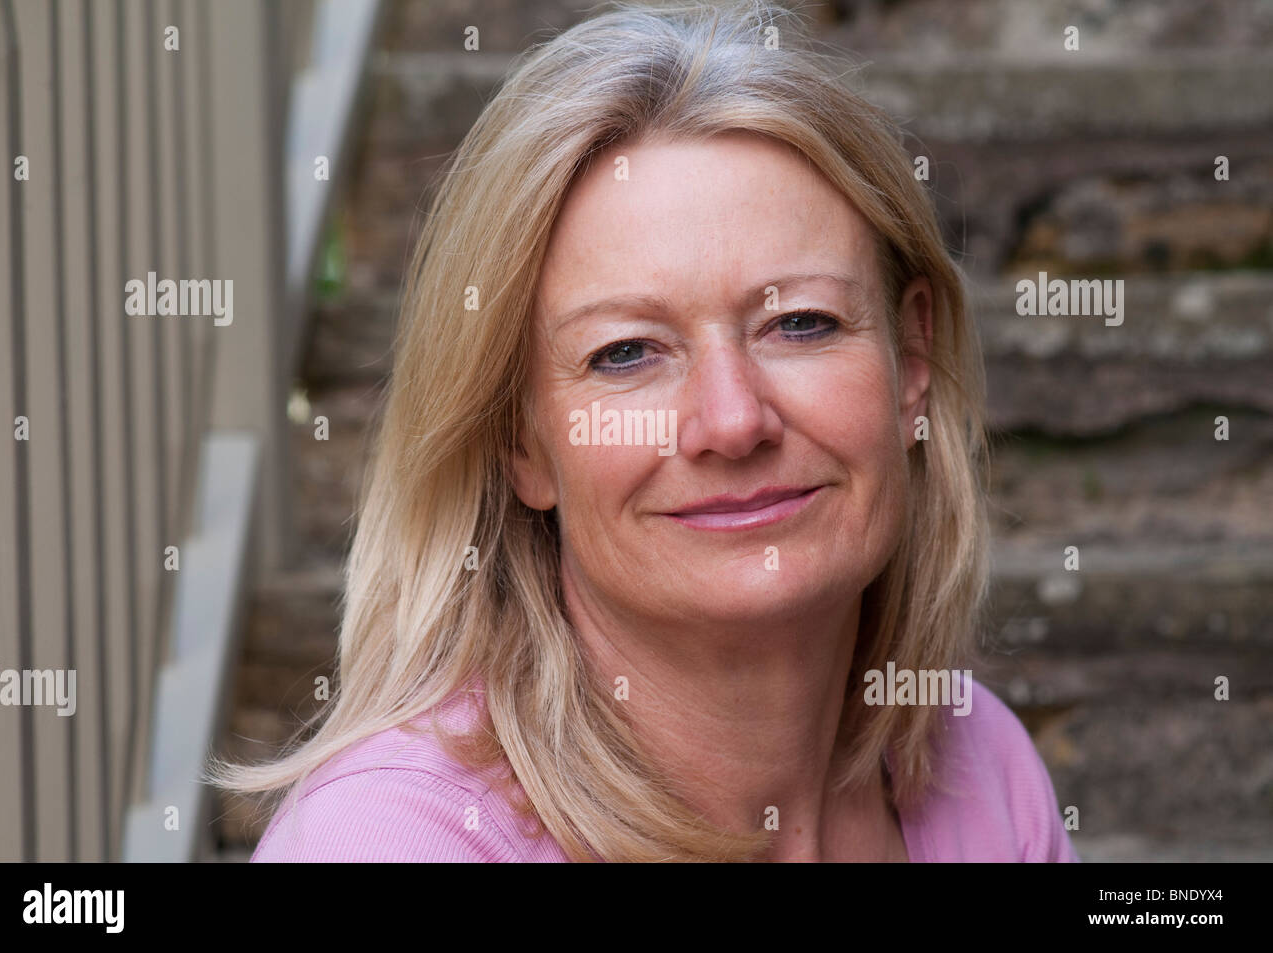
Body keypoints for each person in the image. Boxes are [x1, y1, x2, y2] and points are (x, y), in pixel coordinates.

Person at [212, 0, 1078, 863]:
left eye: (802, 323)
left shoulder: (983, 771)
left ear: (911, 361)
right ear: (521, 441)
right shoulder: (392, 843)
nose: (733, 421)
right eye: (626, 351)